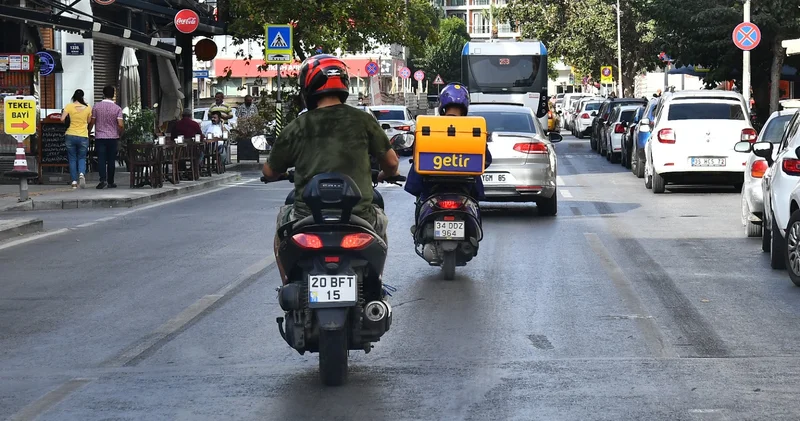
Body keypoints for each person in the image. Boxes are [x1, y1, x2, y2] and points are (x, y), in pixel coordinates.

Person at [262, 54, 400, 257]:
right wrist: (384, 174)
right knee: (380, 231)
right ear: (344, 83)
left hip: (306, 214)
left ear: (307, 86)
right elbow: (391, 163)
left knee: (281, 231)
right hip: (359, 214)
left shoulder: (298, 126)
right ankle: (376, 283)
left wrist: (275, 175)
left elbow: (269, 171)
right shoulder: (364, 120)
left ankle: (287, 284)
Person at [404, 83, 492, 204]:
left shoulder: (429, 124)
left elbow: (417, 154)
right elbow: (486, 160)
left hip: (430, 188)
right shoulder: (474, 126)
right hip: (465, 188)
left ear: (442, 104)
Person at [91, 86, 123, 189]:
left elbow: (92, 121)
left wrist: (88, 131)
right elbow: (121, 124)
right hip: (113, 137)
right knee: (111, 160)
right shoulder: (117, 108)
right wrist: (120, 133)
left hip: (100, 137)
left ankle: (102, 180)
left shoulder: (96, 106)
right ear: (113, 95)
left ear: (103, 94)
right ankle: (111, 181)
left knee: (101, 159)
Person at [60, 89, 92, 189]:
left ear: (73, 96)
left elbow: (62, 119)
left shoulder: (69, 106)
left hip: (70, 135)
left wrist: (68, 122)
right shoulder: (88, 107)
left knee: (72, 158)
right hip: (83, 135)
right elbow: (89, 121)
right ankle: (81, 173)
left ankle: (74, 181)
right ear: (83, 96)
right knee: (82, 157)